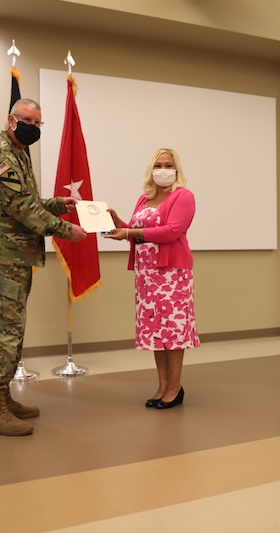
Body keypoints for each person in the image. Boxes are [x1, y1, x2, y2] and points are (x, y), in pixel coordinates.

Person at [0, 98, 87, 436]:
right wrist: (66, 231)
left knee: (10, 331)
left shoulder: (19, 151)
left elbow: (27, 201)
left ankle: (3, 398)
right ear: (11, 119)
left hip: (13, 259)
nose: (33, 128)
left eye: (38, 124)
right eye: (28, 121)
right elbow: (20, 207)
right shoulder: (1, 154)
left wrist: (57, 205)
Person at [105, 147, 199, 409]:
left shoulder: (183, 196)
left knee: (173, 332)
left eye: (169, 165)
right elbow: (136, 231)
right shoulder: (144, 198)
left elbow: (171, 232)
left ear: (177, 170)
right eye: (160, 165)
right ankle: (162, 386)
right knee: (157, 332)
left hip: (172, 275)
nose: (164, 170)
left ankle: (175, 387)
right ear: (151, 168)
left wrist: (130, 233)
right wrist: (119, 224)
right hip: (146, 276)